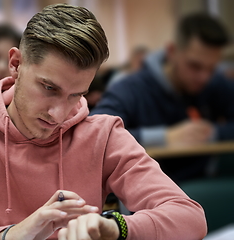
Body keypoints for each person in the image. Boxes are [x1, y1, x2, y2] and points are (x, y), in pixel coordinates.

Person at [0, 4, 206, 240]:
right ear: (15, 64)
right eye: (49, 88)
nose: (59, 114)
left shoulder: (103, 134)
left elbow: (190, 218)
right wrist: (12, 234)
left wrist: (113, 227)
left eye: (76, 95)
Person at [91, 12, 234, 183]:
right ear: (172, 51)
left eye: (211, 68)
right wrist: (164, 137)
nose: (204, 77)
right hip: (146, 191)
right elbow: (95, 135)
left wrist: (212, 133)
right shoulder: (130, 89)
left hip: (203, 184)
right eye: (194, 66)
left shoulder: (214, 83)